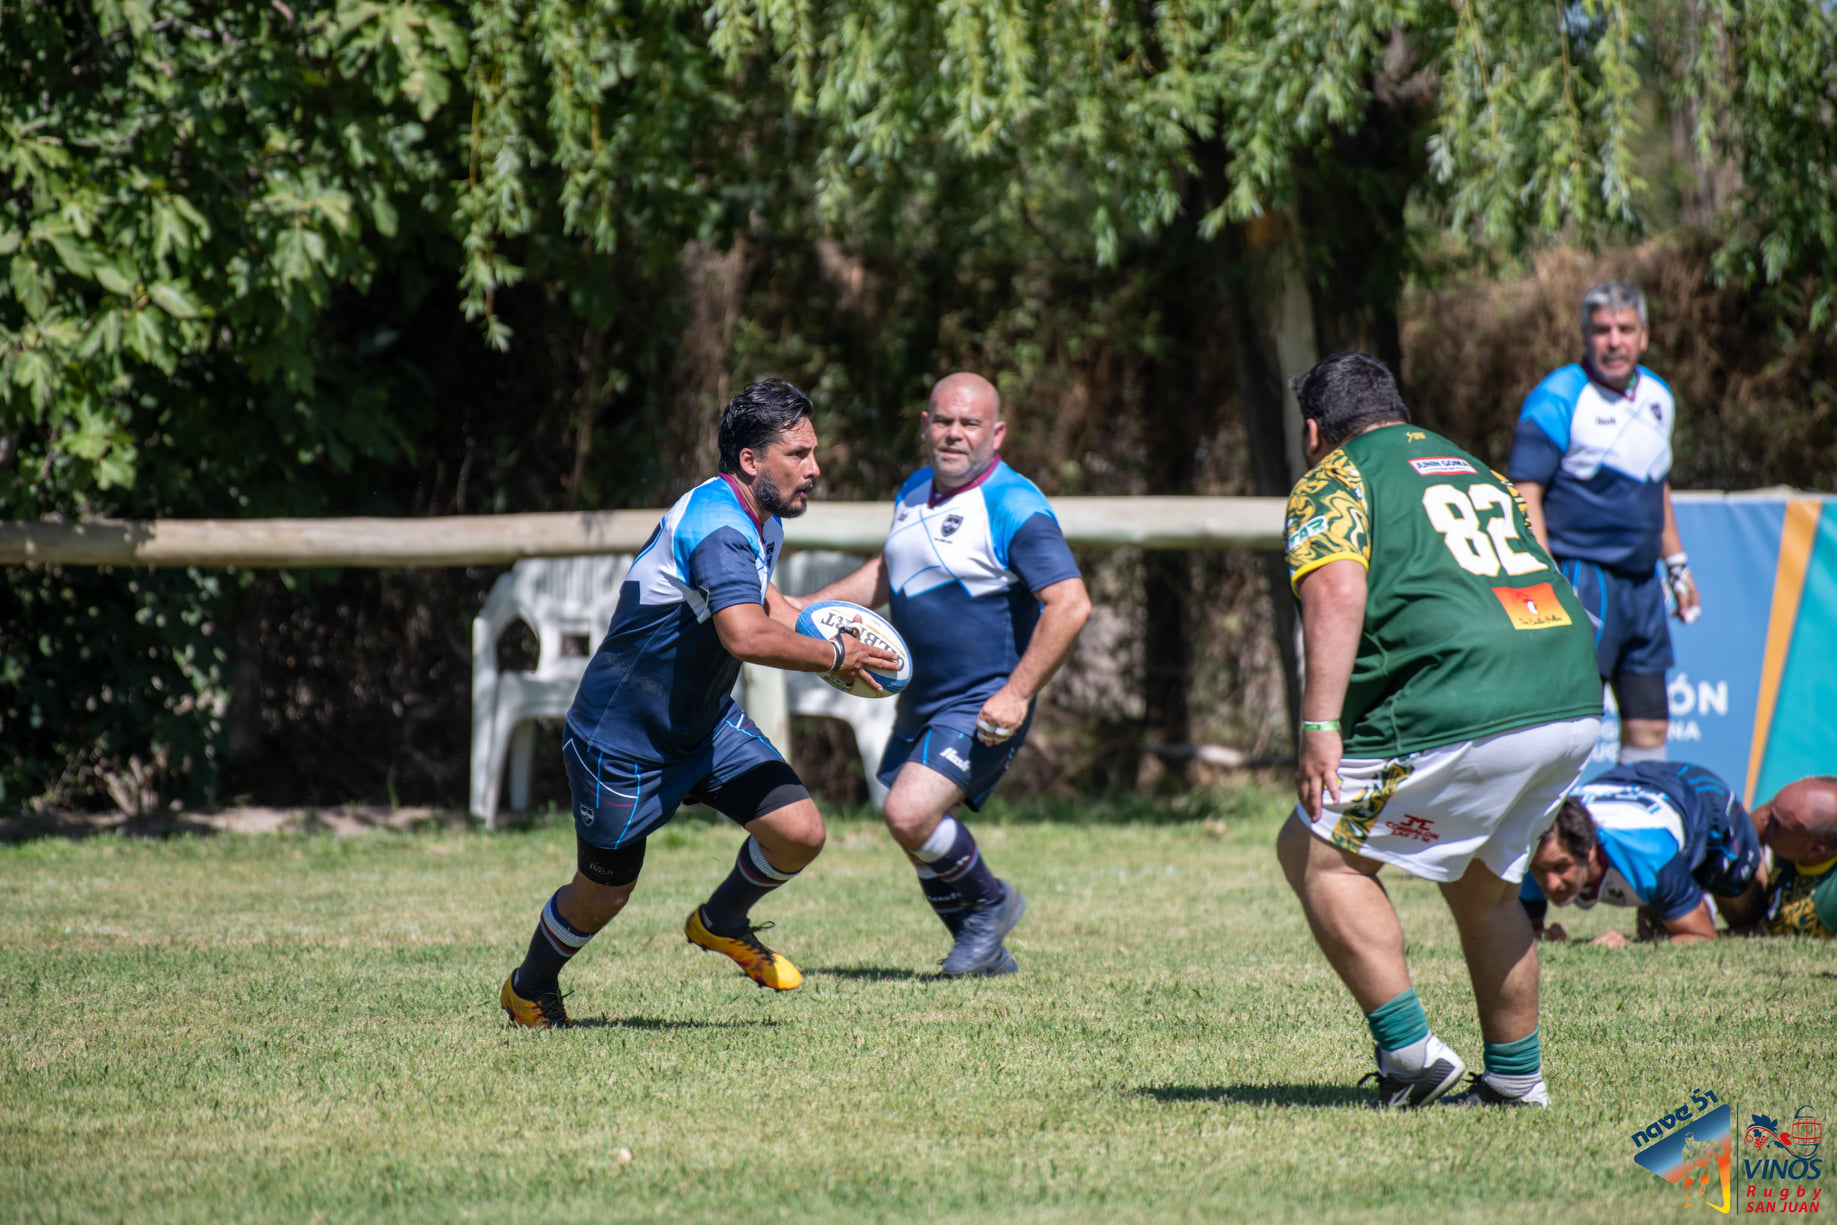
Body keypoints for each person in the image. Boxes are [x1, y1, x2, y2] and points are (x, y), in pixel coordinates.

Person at [498, 379, 900, 1028]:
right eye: (797, 454)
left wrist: (833, 636)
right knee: (604, 893)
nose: (814, 468)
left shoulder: (757, 521)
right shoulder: (718, 528)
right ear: (750, 460)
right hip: (622, 742)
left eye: (812, 452)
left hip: (704, 725)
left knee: (799, 831)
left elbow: (768, 606)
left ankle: (721, 919)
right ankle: (528, 987)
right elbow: (742, 632)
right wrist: (831, 657)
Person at [1276, 351, 1603, 1109]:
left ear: (1314, 430)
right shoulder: (1466, 464)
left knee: (1317, 852)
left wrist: (1319, 723)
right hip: (1567, 691)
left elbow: (1334, 591)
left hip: (1465, 700)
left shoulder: (1334, 476)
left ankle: (1410, 1056)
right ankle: (1516, 1079)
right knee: (1485, 886)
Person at [792, 372, 1090, 976]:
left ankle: (993, 903)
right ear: (925, 424)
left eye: (970, 423)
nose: (954, 434)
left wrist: (1017, 693)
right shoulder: (916, 488)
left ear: (996, 433)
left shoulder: (1014, 506)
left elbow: (1072, 604)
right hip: (923, 696)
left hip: (983, 699)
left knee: (910, 814)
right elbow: (887, 571)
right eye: (943, 420)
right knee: (911, 827)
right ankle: (982, 950)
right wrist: (807, 612)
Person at [1507, 280, 1701, 766]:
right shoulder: (1557, 396)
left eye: (1624, 329)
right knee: (1566, 726)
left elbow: (1657, 483)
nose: (1613, 341)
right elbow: (1525, 489)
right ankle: (1553, 838)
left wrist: (1676, 566)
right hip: (1581, 577)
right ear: (1585, 336)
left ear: (1644, 336)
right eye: (1601, 330)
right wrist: (1542, 575)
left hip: (1643, 585)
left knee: (1651, 723)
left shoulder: (1660, 396)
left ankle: (1637, 827)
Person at [1521, 761, 1763, 946]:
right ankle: (1677, 893)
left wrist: (1632, 945)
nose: (1550, 884)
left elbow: (1704, 935)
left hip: (1703, 797)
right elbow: (1523, 935)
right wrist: (1542, 936)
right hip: (1626, 784)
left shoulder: (1647, 854)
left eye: (1561, 867)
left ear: (1590, 851)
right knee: (1661, 915)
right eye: (1540, 871)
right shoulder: (1535, 855)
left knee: (1750, 919)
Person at [1721, 777, 1837, 939]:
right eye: (1772, 807)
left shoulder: (1829, 900)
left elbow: (1767, 936)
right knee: (1726, 856)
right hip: (1762, 913)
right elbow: (1740, 835)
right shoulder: (1794, 821)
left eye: (1776, 824)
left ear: (1814, 850)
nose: (1764, 819)